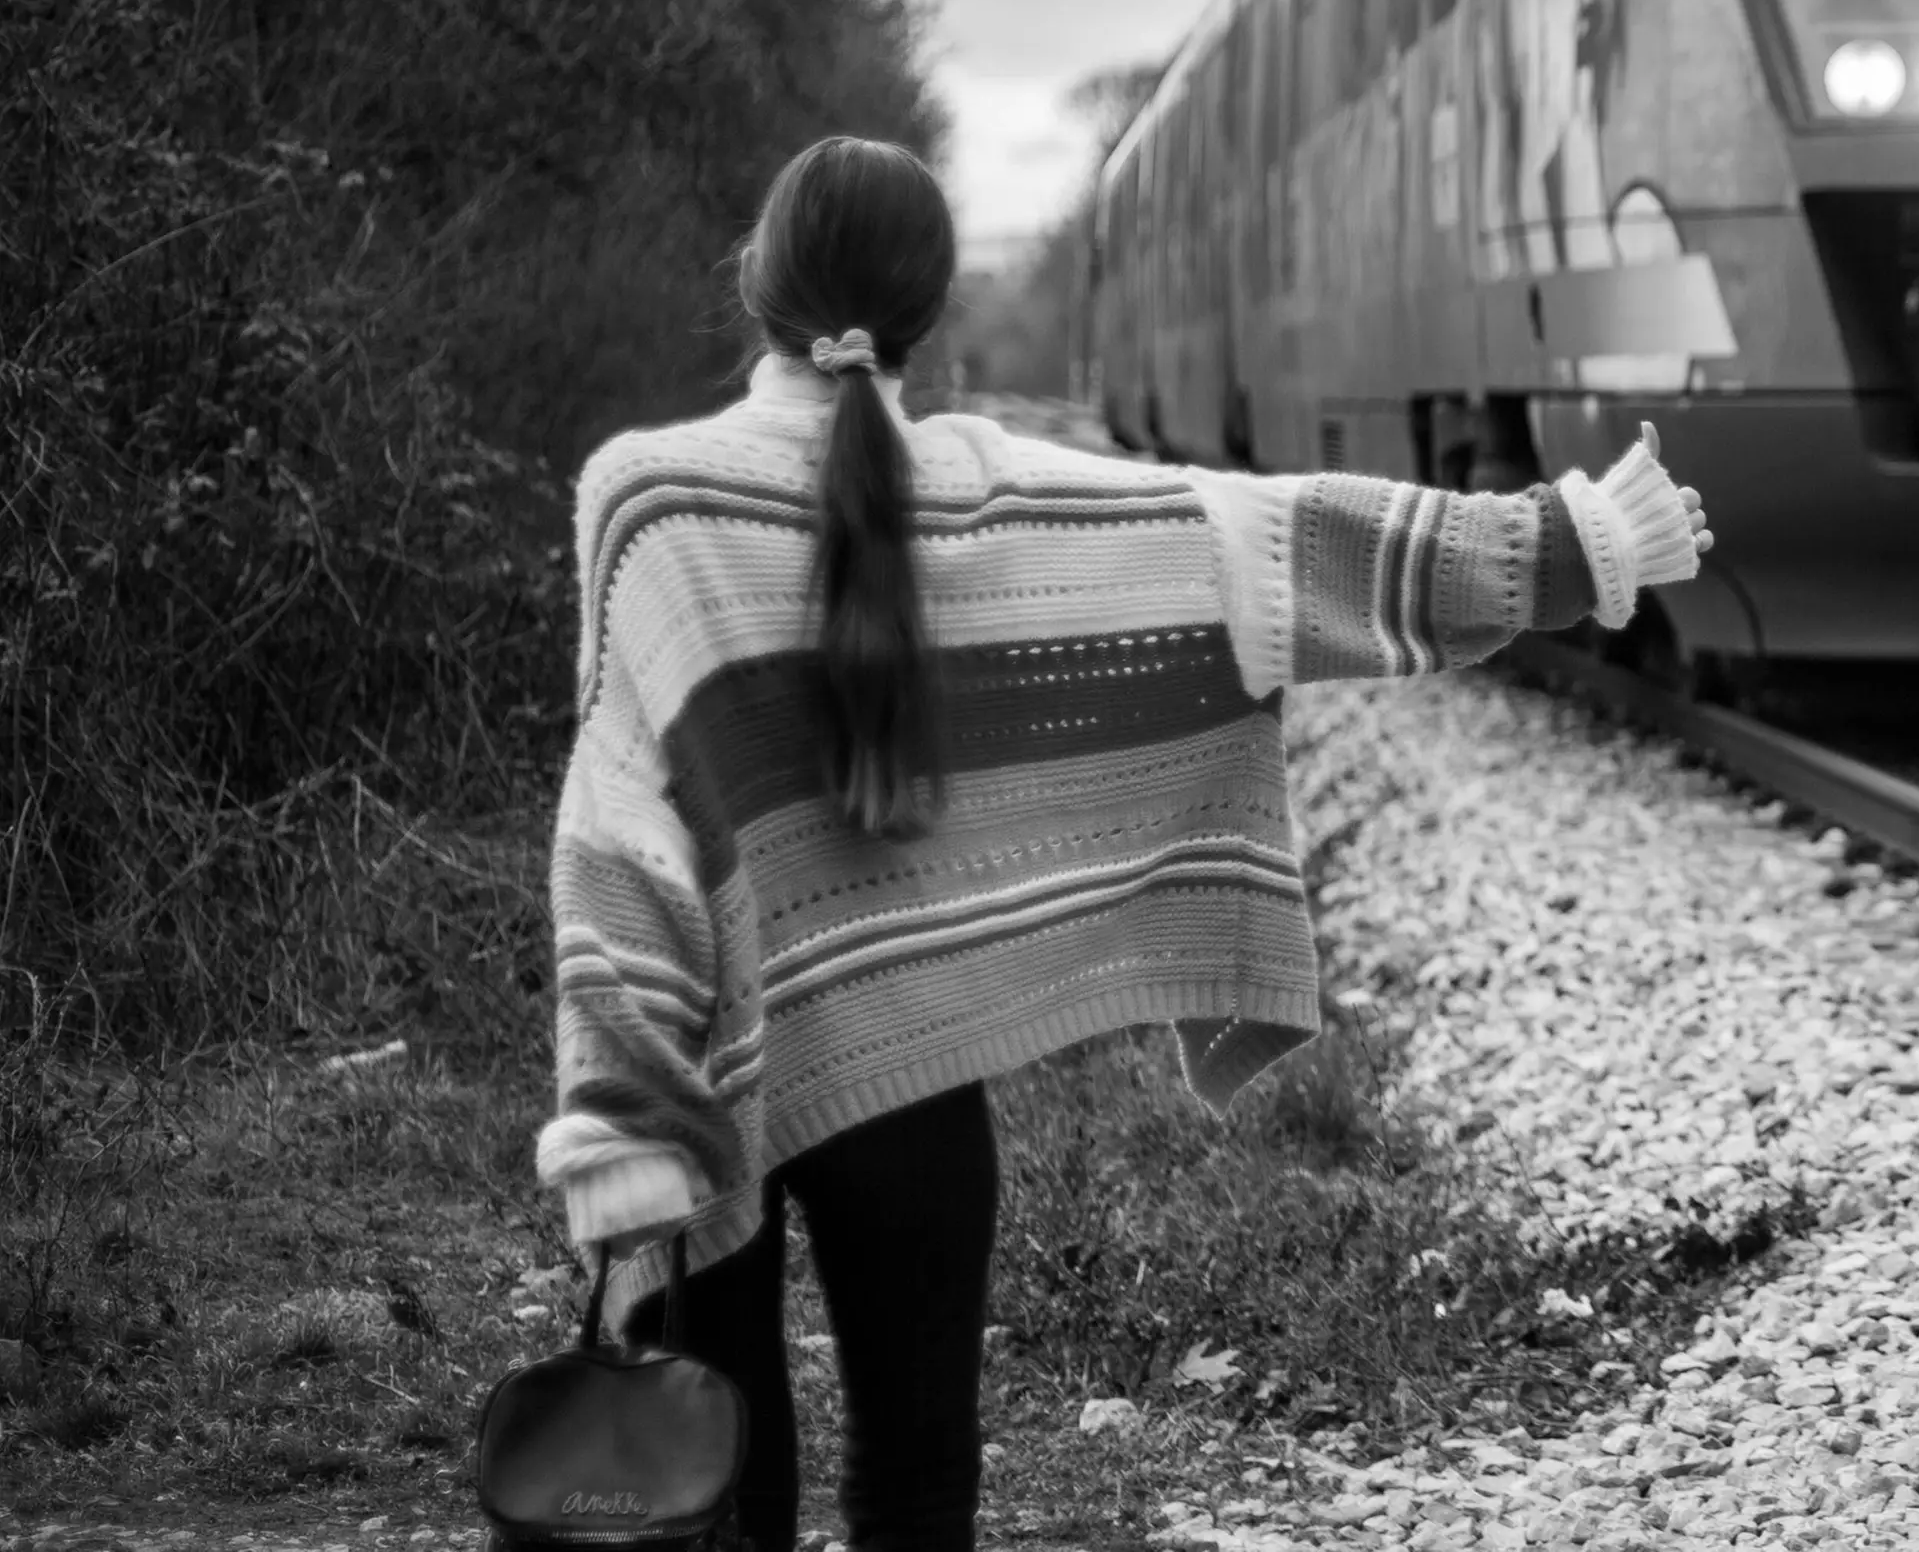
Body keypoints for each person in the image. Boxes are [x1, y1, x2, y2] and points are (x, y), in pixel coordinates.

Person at [535, 137, 1709, 1552]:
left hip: (695, 1094)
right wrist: (1574, 540)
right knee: (920, 1488)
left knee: (719, 1489)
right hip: (920, 1082)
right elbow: (1291, 544)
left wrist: (620, 1117)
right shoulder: (1014, 499)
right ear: (931, 315)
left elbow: (617, 831)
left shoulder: (648, 504)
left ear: (754, 282)